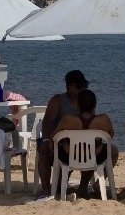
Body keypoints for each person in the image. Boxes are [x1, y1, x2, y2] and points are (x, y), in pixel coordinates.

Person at [51, 89, 117, 199]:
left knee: (68, 149)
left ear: (77, 104)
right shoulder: (104, 120)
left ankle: (63, 186)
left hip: (69, 157)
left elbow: (54, 137)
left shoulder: (68, 119)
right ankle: (95, 184)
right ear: (95, 104)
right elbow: (111, 135)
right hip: (94, 157)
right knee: (113, 151)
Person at [34, 69, 89, 197]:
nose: (81, 90)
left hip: (75, 142)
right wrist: (46, 140)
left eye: (83, 86)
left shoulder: (86, 101)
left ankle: (82, 187)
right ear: (68, 86)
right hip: (55, 139)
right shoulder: (58, 100)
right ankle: (46, 189)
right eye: (78, 87)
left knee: (90, 152)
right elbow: (47, 122)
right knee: (44, 152)